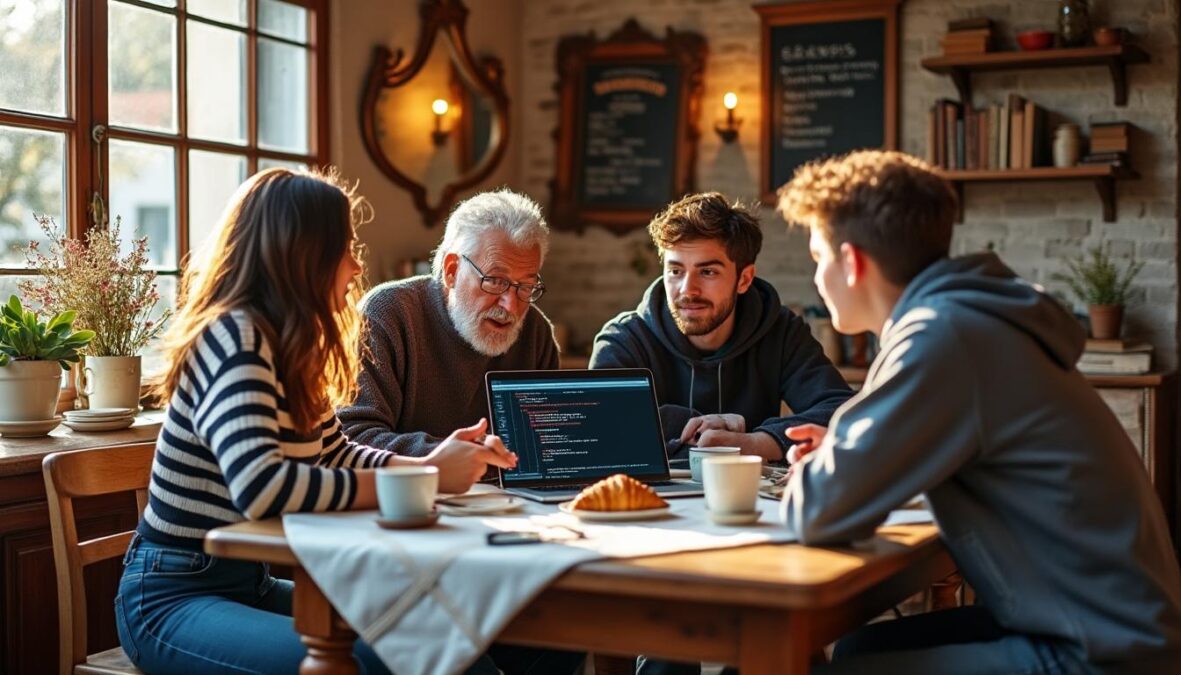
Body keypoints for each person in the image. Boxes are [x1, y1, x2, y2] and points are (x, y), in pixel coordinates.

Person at [776, 150, 1181, 674]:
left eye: (817, 257)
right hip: (1112, 625)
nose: (815, 278)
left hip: (1100, 655)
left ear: (852, 263)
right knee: (859, 650)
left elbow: (816, 512)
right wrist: (846, 455)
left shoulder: (942, 336)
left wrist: (816, 468)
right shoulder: (973, 319)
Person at [114, 168, 518, 674]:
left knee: (450, 650)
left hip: (251, 584)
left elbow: (336, 453)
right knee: (377, 663)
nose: (354, 266)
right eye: (344, 248)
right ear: (300, 255)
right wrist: (427, 479)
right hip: (173, 595)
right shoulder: (233, 338)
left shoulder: (292, 348)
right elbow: (263, 489)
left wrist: (426, 466)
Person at [589, 192, 852, 464]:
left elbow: (842, 412)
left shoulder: (781, 332)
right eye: (675, 271)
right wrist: (697, 425)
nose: (687, 290)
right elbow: (601, 429)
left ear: (744, 279)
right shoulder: (624, 340)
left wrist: (754, 443)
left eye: (708, 272)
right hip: (647, 502)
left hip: (753, 501)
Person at [337, 189, 559, 463]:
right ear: (452, 270)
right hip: (411, 499)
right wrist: (448, 458)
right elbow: (352, 436)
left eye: (525, 286)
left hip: (513, 504)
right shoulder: (387, 314)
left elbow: (548, 446)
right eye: (495, 281)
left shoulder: (536, 333)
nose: (511, 306)